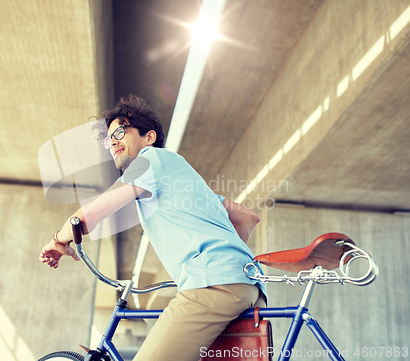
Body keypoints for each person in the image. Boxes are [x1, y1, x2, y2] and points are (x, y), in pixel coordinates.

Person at [39, 95, 267, 361]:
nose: (112, 141)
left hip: (214, 288)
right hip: (250, 289)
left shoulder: (150, 159)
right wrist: (230, 263)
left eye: (121, 132)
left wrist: (59, 240)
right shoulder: (188, 184)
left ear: (149, 137)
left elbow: (90, 215)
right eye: (108, 139)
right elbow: (248, 217)